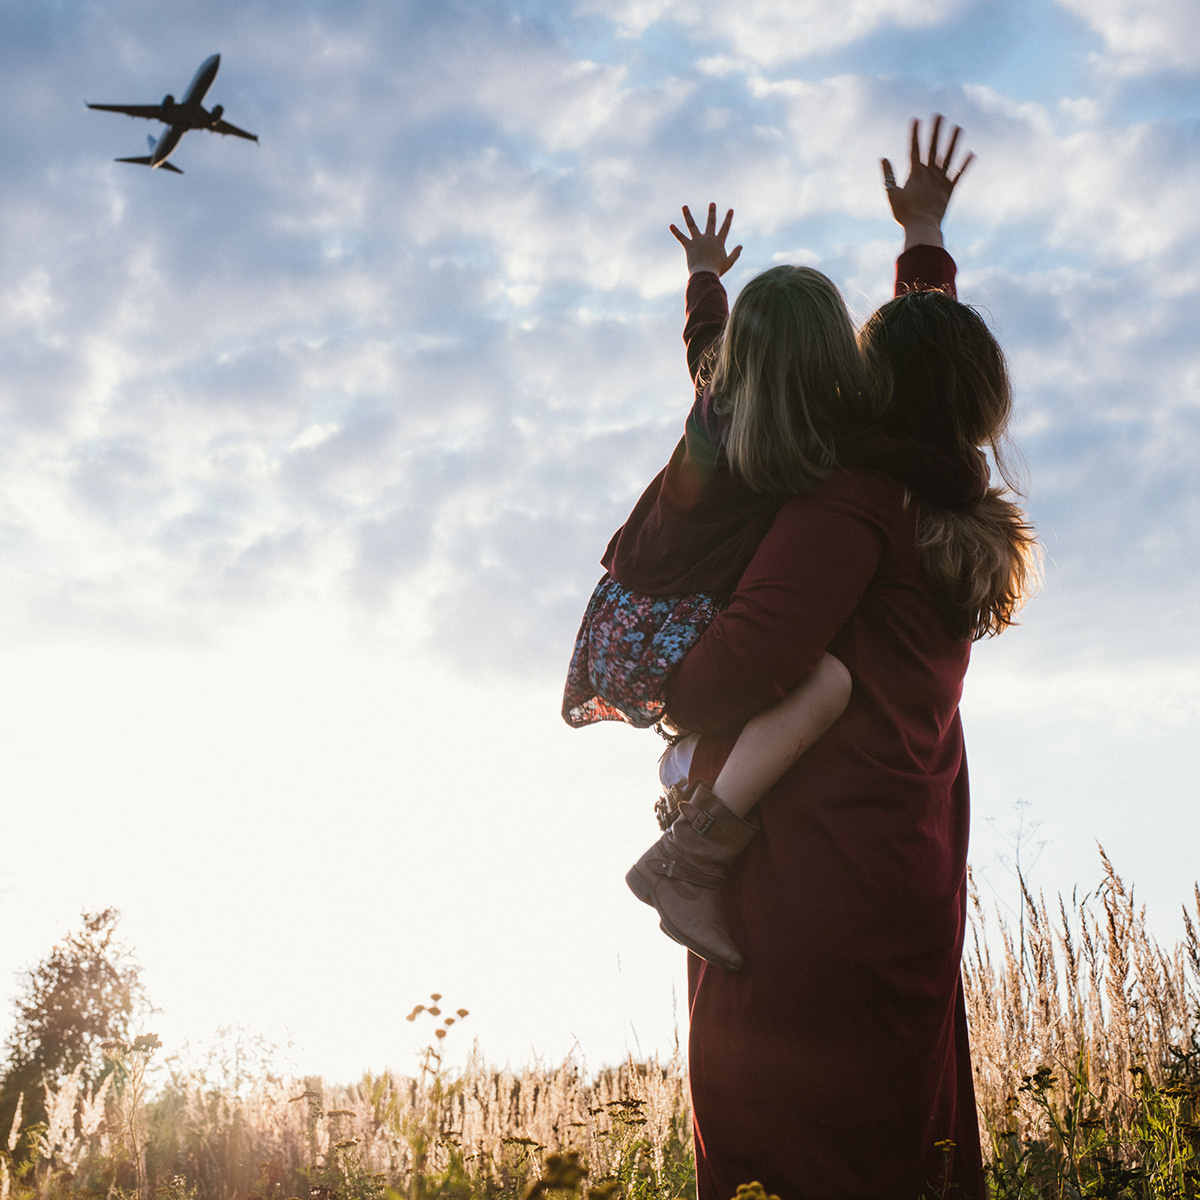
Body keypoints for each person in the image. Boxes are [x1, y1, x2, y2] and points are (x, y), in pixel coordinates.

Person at [662, 117, 1039, 1199]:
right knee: (898, 1142)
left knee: (778, 1142)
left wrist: (655, 683)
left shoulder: (849, 506)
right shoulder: (959, 502)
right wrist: (924, 239)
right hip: (908, 877)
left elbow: (742, 658)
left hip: (804, 883)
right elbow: (935, 372)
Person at [563, 206, 873, 971]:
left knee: (763, 676)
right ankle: (690, 854)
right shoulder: (800, 450)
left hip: (621, 616)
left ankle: (685, 773)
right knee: (826, 682)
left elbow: (707, 338)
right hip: (666, 630)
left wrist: (705, 274)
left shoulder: (718, 396)